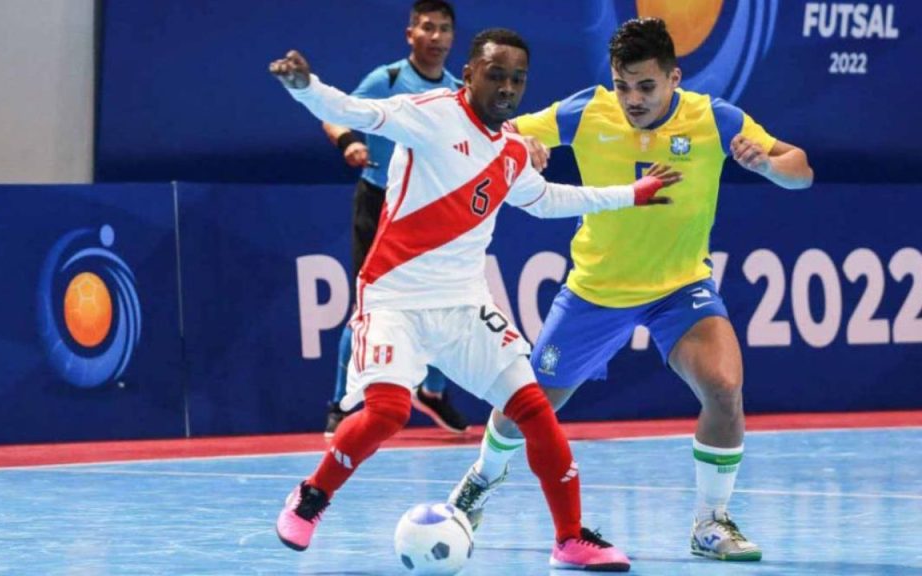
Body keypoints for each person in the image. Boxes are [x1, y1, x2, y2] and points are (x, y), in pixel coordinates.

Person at [269, 27, 680, 571]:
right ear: (469, 74)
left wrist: (631, 194)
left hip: (464, 306)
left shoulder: (511, 149)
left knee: (535, 411)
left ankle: (570, 539)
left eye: (517, 78)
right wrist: (305, 88)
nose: (507, 87)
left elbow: (548, 199)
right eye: (496, 74)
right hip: (395, 297)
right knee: (388, 412)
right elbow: (357, 111)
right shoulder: (429, 113)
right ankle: (312, 496)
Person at [447, 17, 814, 563]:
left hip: (680, 288)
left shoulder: (714, 118)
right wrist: (525, 148)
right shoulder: (588, 111)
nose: (632, 99)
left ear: (674, 78)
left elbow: (800, 167)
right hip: (596, 291)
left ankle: (710, 522)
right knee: (529, 405)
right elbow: (504, 132)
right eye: (623, 85)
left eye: (646, 86)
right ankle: (482, 478)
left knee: (723, 385)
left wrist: (768, 166)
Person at [322, 0, 469, 438]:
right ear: (411, 35)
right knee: (366, 311)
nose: (436, 37)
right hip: (379, 205)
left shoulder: (457, 91)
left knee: (444, 306)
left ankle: (434, 392)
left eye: (444, 29)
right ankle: (339, 405)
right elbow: (334, 113)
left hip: (430, 213)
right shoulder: (386, 80)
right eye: (428, 28)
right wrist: (348, 140)